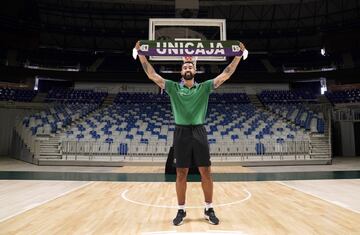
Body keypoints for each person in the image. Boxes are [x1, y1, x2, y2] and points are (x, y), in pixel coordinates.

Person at [135, 41, 246, 226]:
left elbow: (225, 74)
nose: (187, 68)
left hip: (199, 131)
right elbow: (151, 74)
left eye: (190, 66)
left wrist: (238, 56)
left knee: (206, 172)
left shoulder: (204, 88)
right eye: (185, 66)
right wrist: (140, 53)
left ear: (195, 71)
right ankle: (181, 210)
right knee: (181, 173)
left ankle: (209, 208)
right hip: (181, 132)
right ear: (181, 72)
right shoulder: (172, 87)